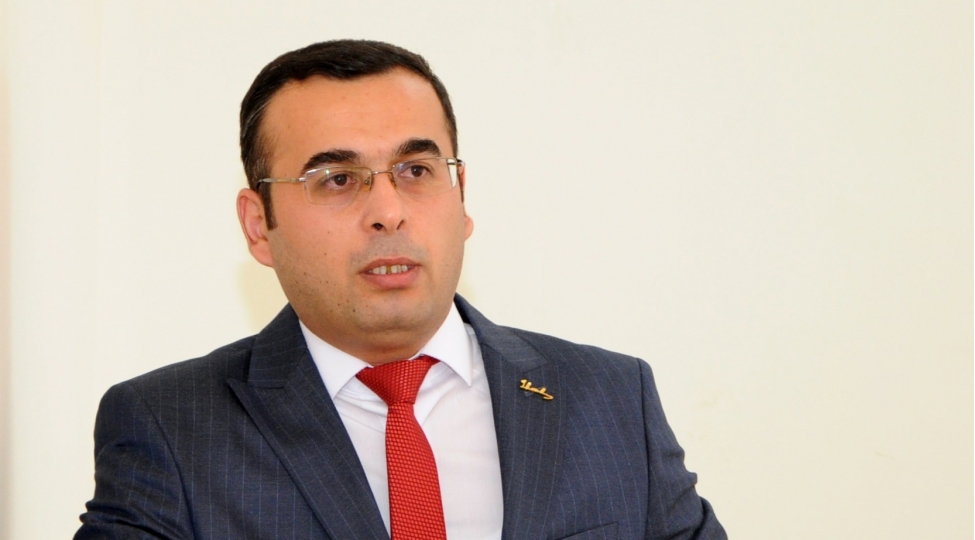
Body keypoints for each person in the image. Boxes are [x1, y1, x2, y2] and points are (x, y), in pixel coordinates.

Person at [75, 40, 726, 540]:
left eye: (416, 170)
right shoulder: (171, 427)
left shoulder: (611, 400)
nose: (388, 211)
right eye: (337, 179)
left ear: (461, 195)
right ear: (258, 225)